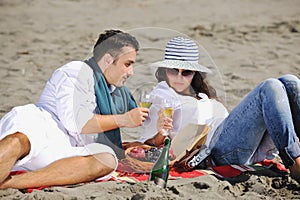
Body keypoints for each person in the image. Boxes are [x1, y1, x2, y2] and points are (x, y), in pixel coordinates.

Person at [0, 29, 149, 189]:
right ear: (107, 60)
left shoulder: (116, 93)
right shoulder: (77, 71)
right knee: (20, 140)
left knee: (107, 159)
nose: (131, 72)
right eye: (127, 64)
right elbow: (77, 122)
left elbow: (136, 122)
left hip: (67, 148)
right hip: (43, 127)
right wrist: (124, 119)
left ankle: (9, 184)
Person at [140, 37, 300, 183]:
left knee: (290, 82)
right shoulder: (162, 95)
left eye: (186, 72)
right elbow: (147, 145)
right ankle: (294, 160)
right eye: (173, 70)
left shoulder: (201, 94)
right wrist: (161, 133)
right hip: (216, 153)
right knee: (269, 87)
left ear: (194, 73)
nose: (179, 77)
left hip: (245, 145)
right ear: (165, 70)